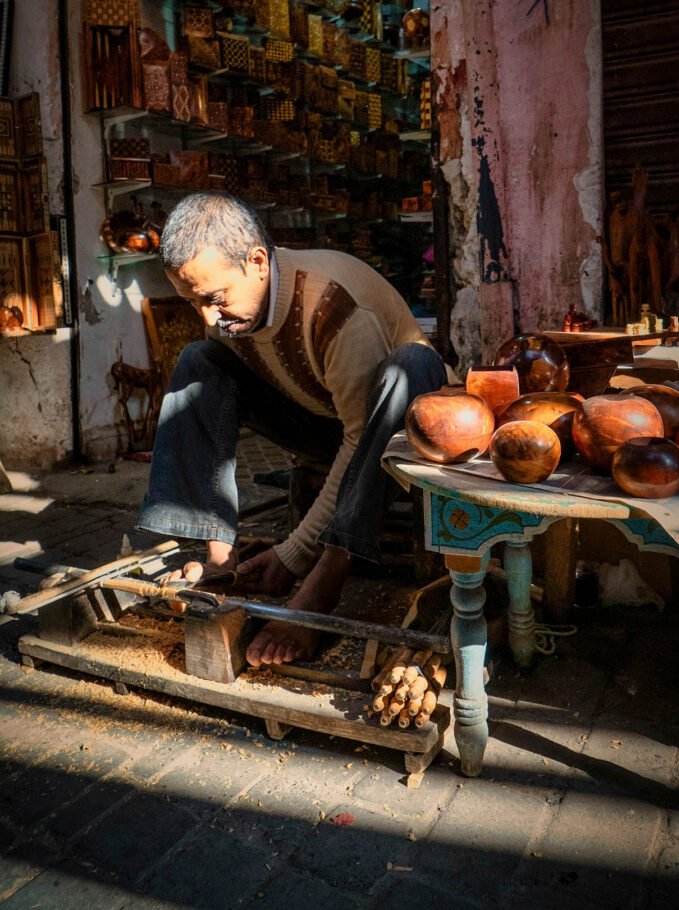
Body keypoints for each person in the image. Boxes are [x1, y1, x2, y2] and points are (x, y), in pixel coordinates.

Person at [136, 191, 448, 668]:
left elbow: (359, 435)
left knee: (411, 366)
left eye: (215, 299)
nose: (207, 317)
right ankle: (220, 558)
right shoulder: (224, 315)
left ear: (258, 261)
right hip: (325, 423)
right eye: (191, 302)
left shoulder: (336, 306)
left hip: (398, 435)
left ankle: (326, 581)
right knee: (200, 361)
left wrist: (295, 555)